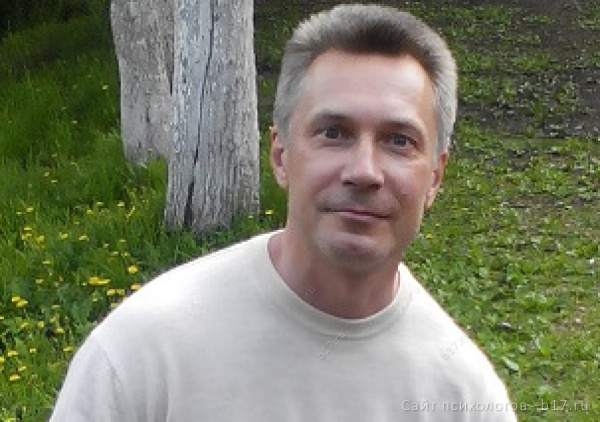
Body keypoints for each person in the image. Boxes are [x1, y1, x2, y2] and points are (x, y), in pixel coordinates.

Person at [50, 4, 518, 421]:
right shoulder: (143, 355)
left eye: (399, 140)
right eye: (333, 132)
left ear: (435, 177)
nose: (364, 171)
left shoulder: (465, 396)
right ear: (280, 155)